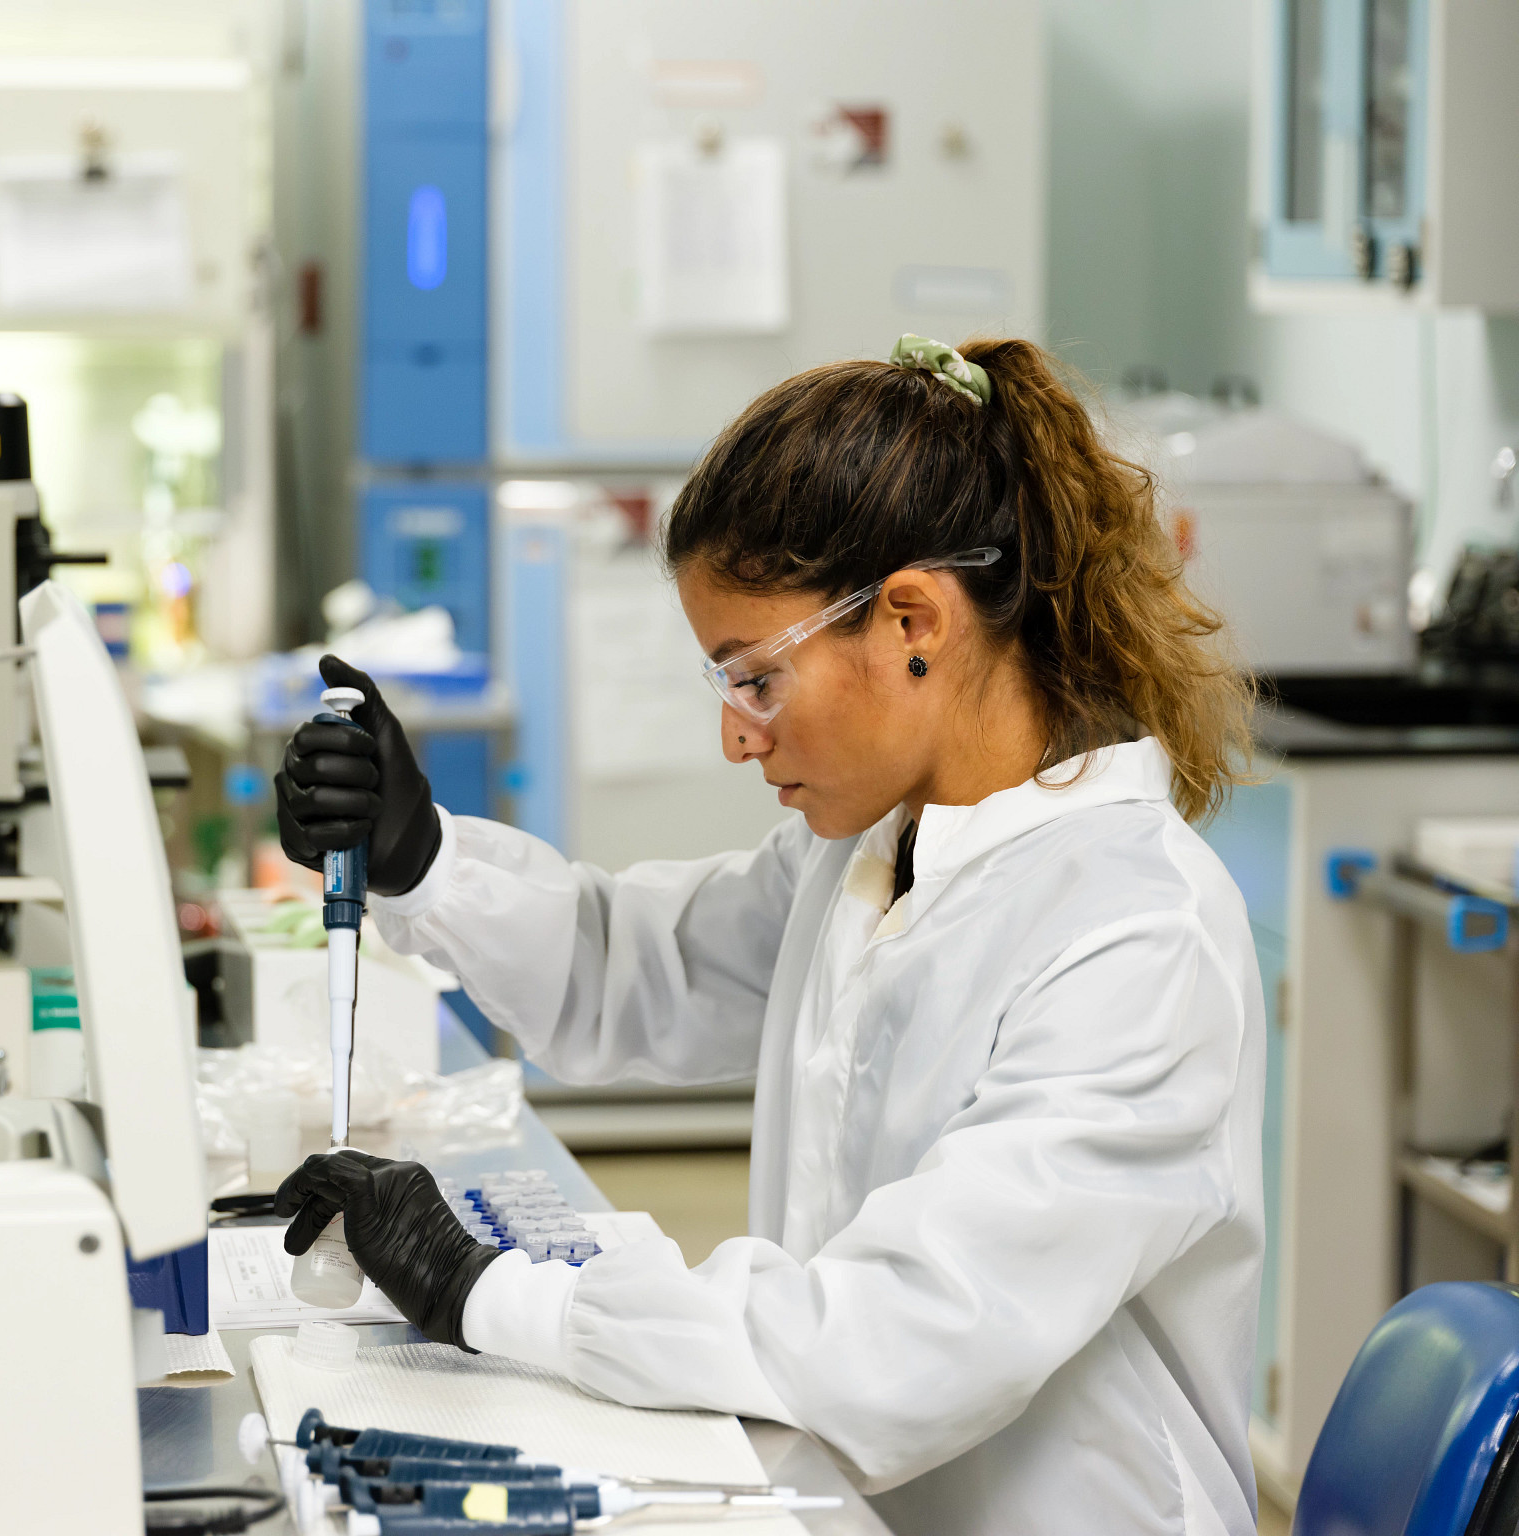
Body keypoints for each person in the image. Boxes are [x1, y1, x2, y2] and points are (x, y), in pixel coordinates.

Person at [273, 336, 1263, 1536]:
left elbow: (903, 1337)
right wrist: (415, 855)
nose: (737, 737)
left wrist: (492, 1291)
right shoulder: (877, 852)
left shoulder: (1135, 935)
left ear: (912, 620)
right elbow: (642, 968)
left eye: (754, 679)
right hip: (839, 1496)